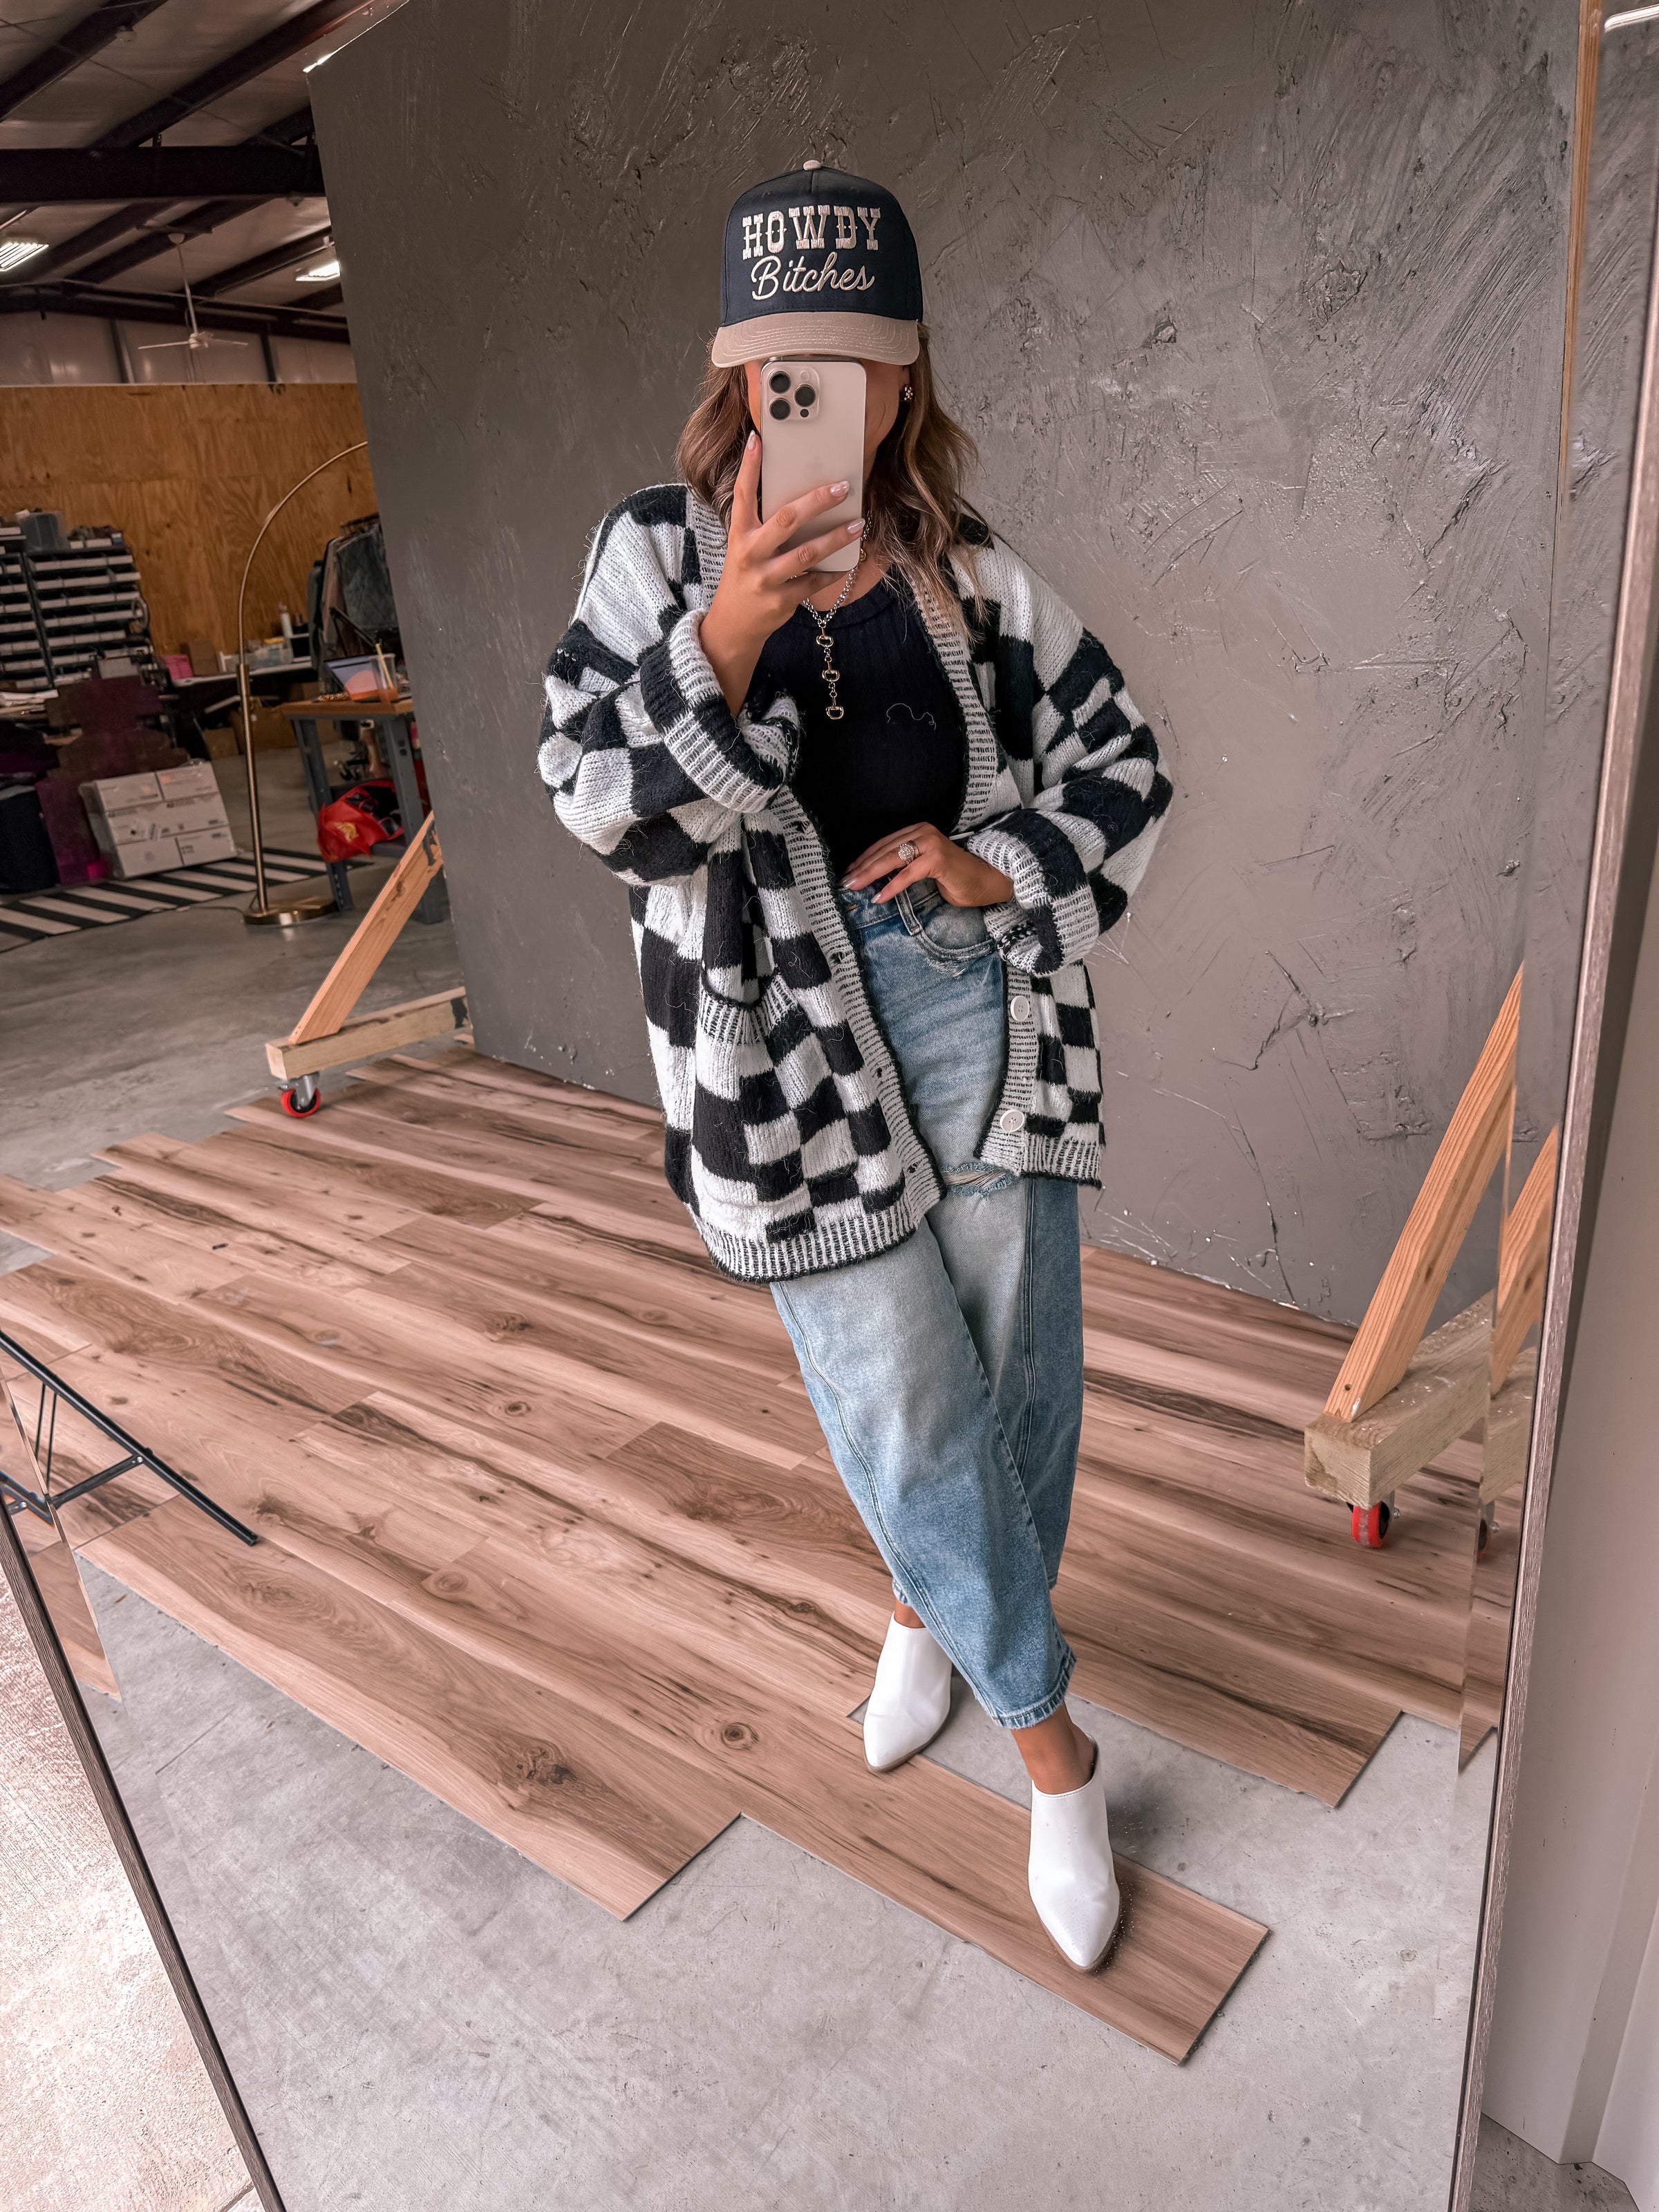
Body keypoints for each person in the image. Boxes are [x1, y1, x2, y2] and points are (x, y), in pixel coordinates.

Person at [538, 162, 1172, 1972]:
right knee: (903, 1397)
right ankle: (1054, 1750)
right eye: (776, 365)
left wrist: (999, 864)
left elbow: (1124, 762)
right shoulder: (656, 554)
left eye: (845, 364)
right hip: (777, 1038)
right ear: (735, 373)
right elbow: (590, 794)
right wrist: (730, 628)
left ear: (903, 376)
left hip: (980, 1005)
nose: (806, 394)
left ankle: (920, 1611)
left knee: (1015, 1376)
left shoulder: (973, 573)